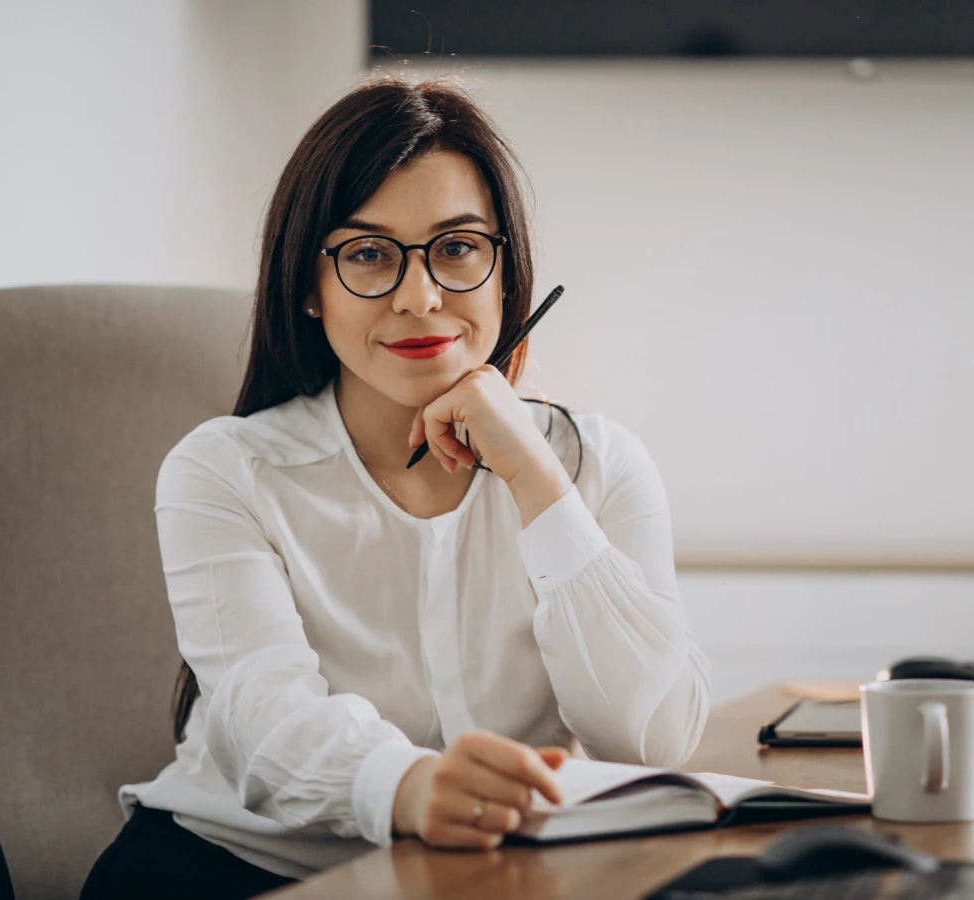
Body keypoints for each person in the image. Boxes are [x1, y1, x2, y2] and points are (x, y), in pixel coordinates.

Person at [80, 72, 710, 900]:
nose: (420, 297)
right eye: (369, 254)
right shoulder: (224, 470)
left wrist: (534, 477)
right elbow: (262, 715)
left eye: (456, 248)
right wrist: (406, 788)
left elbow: (654, 739)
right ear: (309, 286)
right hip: (231, 870)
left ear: (505, 272)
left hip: (485, 878)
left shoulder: (598, 466)